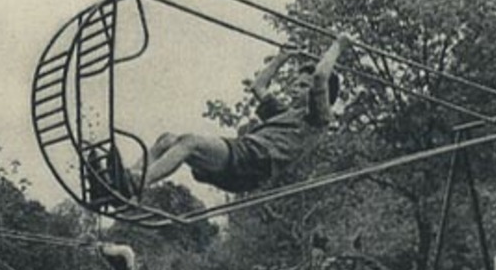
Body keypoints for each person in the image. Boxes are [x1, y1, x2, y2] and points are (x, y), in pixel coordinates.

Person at [138, 33, 350, 194]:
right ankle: (131, 177)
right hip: (243, 157)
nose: (294, 89)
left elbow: (321, 76)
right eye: (295, 84)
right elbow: (258, 87)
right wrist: (281, 58)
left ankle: (139, 183)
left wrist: (339, 45)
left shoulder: (318, 119)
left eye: (303, 86)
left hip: (254, 161)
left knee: (190, 142)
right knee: (167, 140)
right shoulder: (284, 113)